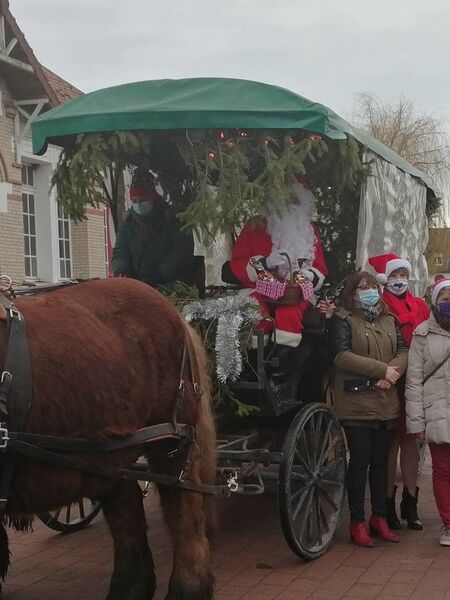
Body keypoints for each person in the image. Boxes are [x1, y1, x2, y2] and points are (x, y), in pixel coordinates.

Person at [330, 271, 408, 547]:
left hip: (387, 402)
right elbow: (341, 355)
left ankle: (380, 517)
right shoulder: (344, 320)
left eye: (373, 286)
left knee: (381, 463)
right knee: (360, 461)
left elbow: (402, 350)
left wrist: (392, 374)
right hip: (356, 403)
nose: (369, 291)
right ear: (352, 294)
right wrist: (381, 370)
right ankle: (357, 521)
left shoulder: (389, 320)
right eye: (363, 287)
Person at [223, 177, 328, 375]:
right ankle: (253, 365)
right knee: (256, 312)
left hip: (294, 292)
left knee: (288, 314)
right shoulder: (255, 225)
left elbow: (320, 269)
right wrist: (264, 263)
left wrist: (308, 275)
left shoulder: (310, 230)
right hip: (259, 288)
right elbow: (237, 264)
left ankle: (282, 369)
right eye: (285, 199)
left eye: (295, 200)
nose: (290, 205)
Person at [369, 253, 430, 531]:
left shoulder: (419, 305)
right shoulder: (378, 306)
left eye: (403, 275)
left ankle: (411, 501)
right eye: (394, 276)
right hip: (389, 379)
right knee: (388, 444)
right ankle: (387, 503)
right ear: (385, 279)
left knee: (411, 443)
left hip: (416, 381)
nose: (399, 280)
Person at [406, 278, 450, 546]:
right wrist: (416, 422)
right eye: (444, 298)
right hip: (437, 411)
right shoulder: (422, 333)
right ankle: (448, 524)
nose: (449, 302)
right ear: (435, 301)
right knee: (443, 470)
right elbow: (413, 380)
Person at [111, 169, 200, 291]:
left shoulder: (172, 219)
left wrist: (160, 275)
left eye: (142, 200)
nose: (138, 204)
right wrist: (121, 270)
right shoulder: (128, 223)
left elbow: (181, 254)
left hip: (170, 285)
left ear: (152, 198)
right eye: (134, 201)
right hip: (135, 286)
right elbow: (120, 252)